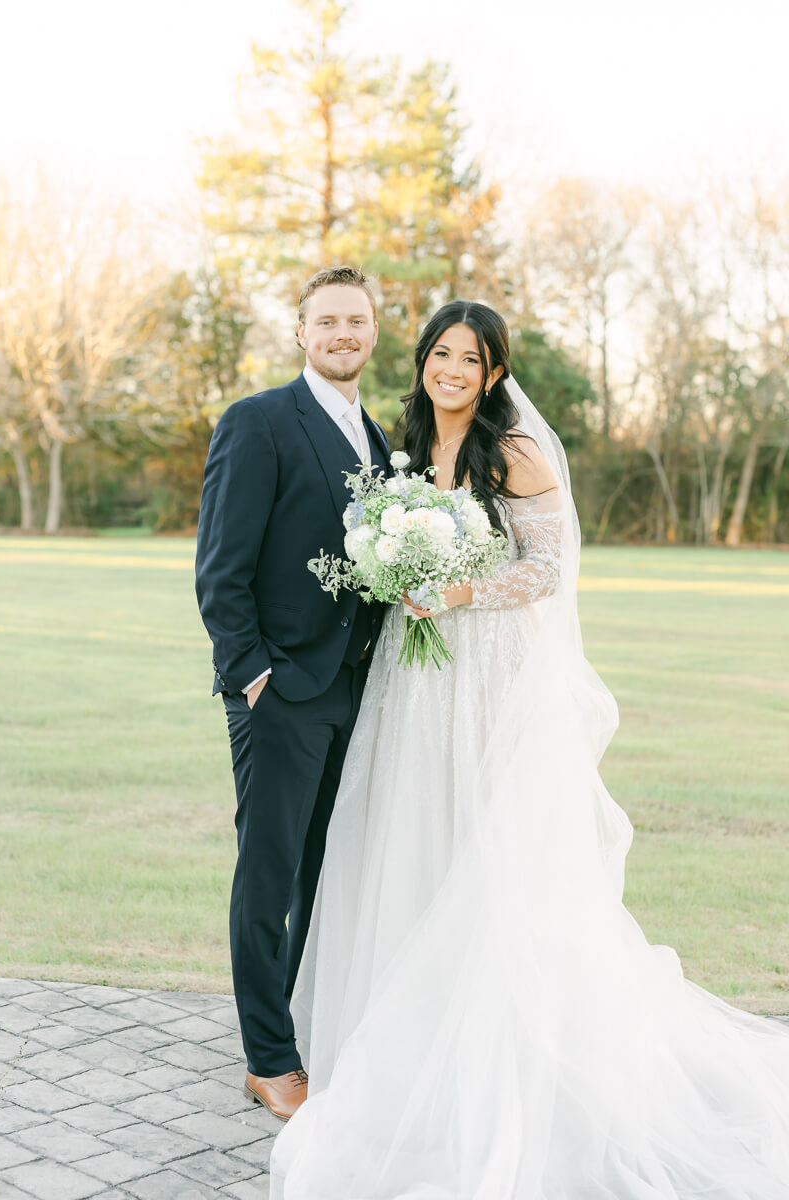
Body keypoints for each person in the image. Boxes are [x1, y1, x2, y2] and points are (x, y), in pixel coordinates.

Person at [269, 301, 789, 1197]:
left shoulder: (513, 452)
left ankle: (490, 1041)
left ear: (496, 372)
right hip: (412, 673)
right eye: (441, 354)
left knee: (487, 848)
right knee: (406, 830)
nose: (453, 371)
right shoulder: (401, 446)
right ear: (424, 362)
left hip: (485, 675)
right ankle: (403, 1034)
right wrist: (395, 570)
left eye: (471, 359)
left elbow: (549, 569)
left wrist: (459, 589)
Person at [195, 266, 390, 1121]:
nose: (343, 334)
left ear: (374, 332)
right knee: (268, 872)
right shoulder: (259, 422)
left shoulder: (378, 439)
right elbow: (220, 568)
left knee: (324, 868)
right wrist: (253, 675)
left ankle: (302, 1025)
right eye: (327, 321)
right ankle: (267, 1058)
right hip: (281, 692)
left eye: (357, 321)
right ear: (301, 331)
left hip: (354, 691)